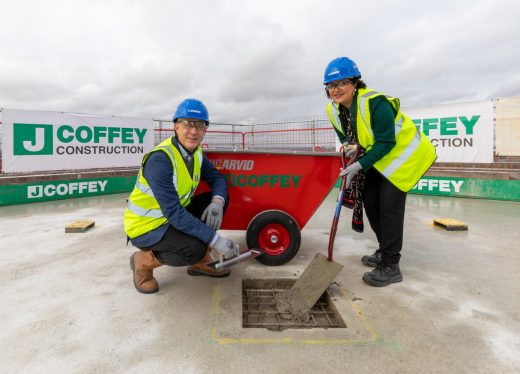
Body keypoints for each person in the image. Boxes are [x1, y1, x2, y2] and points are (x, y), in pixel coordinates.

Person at [323, 56, 437, 287]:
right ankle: (384, 251)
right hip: (377, 160)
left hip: (403, 159)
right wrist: (350, 149)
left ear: (355, 83)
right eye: (331, 85)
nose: (336, 90)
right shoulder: (333, 109)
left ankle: (391, 265)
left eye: (342, 83)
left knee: (389, 208)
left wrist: (358, 166)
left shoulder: (375, 102)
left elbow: (386, 142)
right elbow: (345, 137)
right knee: (371, 203)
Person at [124, 98, 239, 294]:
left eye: (199, 125)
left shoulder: (195, 153)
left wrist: (217, 203)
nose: (193, 131)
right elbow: (173, 212)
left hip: (174, 215)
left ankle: (199, 263)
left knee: (218, 200)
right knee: (194, 248)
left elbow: (217, 179)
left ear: (205, 130)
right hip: (146, 226)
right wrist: (215, 240)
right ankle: (142, 262)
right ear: (176, 127)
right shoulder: (161, 159)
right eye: (187, 124)